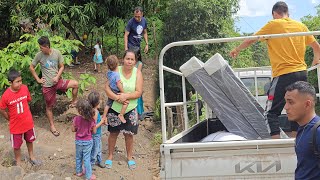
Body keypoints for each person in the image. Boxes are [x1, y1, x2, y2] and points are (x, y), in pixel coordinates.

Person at [229, 1, 320, 139]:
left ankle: (276, 146)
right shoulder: (301, 26)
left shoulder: (273, 24)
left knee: (271, 113)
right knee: (297, 110)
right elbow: (317, 47)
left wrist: (237, 49)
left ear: (274, 14)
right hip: (302, 73)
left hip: (284, 74)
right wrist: (315, 60)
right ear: (287, 13)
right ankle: (296, 143)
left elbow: (251, 40)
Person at [29, 36, 79, 137]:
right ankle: (52, 126)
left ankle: (74, 102)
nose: (40, 49)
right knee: (49, 107)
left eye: (41, 47)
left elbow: (62, 66)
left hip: (58, 81)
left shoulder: (57, 53)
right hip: (47, 86)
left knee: (75, 84)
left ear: (47, 46)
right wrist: (38, 79)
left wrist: (57, 76)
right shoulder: (39, 55)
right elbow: (31, 67)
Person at [104, 50, 143, 170]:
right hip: (115, 107)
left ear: (135, 61)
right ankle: (110, 156)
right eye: (127, 59)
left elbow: (139, 92)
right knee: (113, 133)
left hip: (130, 108)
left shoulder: (137, 73)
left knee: (129, 134)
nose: (129, 61)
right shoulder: (116, 69)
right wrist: (117, 97)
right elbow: (106, 87)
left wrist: (125, 96)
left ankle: (130, 157)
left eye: (132, 59)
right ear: (123, 59)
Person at [0, 69, 41, 166]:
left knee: (30, 140)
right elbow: (2, 109)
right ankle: (18, 162)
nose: (20, 83)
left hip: (27, 122)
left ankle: (32, 157)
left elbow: (28, 100)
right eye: (17, 82)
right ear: (10, 83)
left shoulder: (25, 88)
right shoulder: (6, 96)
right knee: (17, 145)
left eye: (20, 81)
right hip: (15, 126)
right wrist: (8, 118)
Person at [284, 81, 320, 179]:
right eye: (286, 102)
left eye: (290, 102)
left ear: (307, 104)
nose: (286, 107)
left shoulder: (317, 132)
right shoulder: (303, 128)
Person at [72, 99, 97, 180]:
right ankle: (89, 176)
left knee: (78, 157)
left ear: (79, 110)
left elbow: (73, 129)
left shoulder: (76, 119)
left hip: (78, 141)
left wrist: (78, 129)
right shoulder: (92, 120)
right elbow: (94, 131)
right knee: (87, 159)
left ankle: (79, 172)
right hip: (88, 141)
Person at [102, 55, 128, 124]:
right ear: (117, 64)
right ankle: (121, 114)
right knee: (126, 103)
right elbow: (118, 84)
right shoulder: (117, 75)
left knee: (108, 105)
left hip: (111, 90)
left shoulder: (108, 73)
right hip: (117, 91)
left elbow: (109, 80)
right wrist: (123, 92)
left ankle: (104, 117)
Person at [124, 6, 149, 71]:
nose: (137, 18)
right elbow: (126, 35)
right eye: (135, 16)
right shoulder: (130, 22)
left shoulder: (144, 21)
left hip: (138, 46)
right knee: (131, 64)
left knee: (139, 63)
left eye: (138, 16)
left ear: (142, 14)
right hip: (131, 46)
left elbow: (145, 32)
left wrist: (147, 44)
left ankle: (137, 77)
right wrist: (126, 48)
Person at [87, 91, 106, 169]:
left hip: (97, 134)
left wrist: (100, 120)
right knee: (95, 149)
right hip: (95, 134)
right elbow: (93, 126)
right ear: (97, 102)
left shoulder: (92, 111)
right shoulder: (95, 112)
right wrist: (101, 122)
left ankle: (99, 160)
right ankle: (91, 164)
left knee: (98, 147)